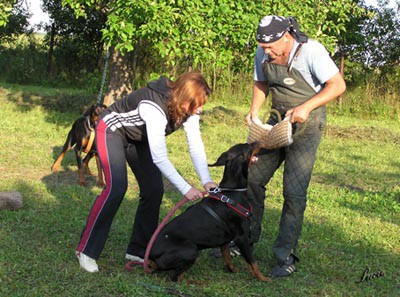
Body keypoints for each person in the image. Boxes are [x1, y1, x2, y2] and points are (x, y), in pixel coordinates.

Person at [76, 72, 218, 273]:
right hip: (111, 130)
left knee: (153, 190)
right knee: (116, 188)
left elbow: (195, 145)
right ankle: (87, 251)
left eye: (202, 104)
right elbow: (160, 157)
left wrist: (206, 180)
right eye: (196, 104)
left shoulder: (189, 110)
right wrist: (185, 188)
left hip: (138, 138)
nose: (199, 109)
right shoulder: (154, 107)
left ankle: (138, 250)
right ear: (183, 97)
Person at [245, 15, 346, 277]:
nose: (266, 52)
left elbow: (337, 85)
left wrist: (306, 107)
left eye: (271, 47)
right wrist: (254, 110)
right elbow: (261, 82)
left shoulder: (311, 51)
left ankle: (284, 255)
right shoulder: (262, 51)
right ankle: (244, 239)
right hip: (277, 120)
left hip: (307, 125)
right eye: (262, 47)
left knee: (293, 192)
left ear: (287, 37)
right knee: (252, 178)